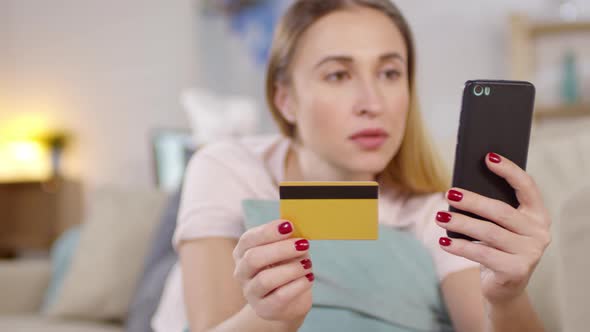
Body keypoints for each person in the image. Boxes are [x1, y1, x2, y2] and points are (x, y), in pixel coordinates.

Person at [153, 1, 551, 331]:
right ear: (285, 99)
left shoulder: (433, 213)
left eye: (390, 73)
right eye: (339, 74)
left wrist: (507, 295)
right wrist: (268, 319)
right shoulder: (225, 166)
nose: (372, 102)